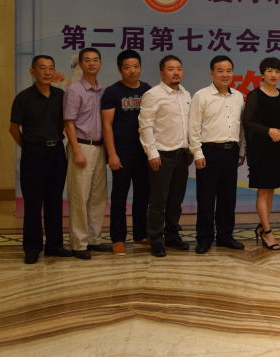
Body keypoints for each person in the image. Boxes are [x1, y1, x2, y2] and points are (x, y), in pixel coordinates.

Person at [9, 55, 72, 264]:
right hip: (33, 155)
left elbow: (65, 123)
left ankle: (55, 245)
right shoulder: (23, 98)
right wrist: (29, 146)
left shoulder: (60, 96)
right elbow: (13, 129)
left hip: (56, 153)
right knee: (33, 204)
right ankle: (32, 248)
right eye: (42, 68)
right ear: (32, 72)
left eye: (51, 68)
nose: (47, 72)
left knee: (55, 201)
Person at [189, 55, 246, 255]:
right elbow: (193, 127)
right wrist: (197, 153)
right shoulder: (201, 96)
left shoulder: (238, 96)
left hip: (231, 152)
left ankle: (225, 236)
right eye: (220, 70)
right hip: (208, 152)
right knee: (206, 198)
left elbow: (241, 127)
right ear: (212, 73)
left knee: (228, 198)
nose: (225, 74)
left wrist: (242, 150)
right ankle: (204, 238)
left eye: (228, 70)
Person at [138, 55, 192, 257]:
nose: (176, 72)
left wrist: (191, 149)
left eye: (179, 68)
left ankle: (172, 235)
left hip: (182, 155)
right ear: (161, 73)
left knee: (176, 201)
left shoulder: (186, 94)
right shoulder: (153, 94)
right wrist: (151, 153)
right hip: (161, 155)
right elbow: (145, 126)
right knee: (158, 202)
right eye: (171, 69)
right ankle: (156, 239)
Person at [100, 49, 152, 255]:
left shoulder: (147, 90)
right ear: (120, 69)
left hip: (143, 151)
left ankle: (140, 234)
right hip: (122, 151)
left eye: (136, 66)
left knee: (143, 195)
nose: (132, 71)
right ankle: (118, 238)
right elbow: (106, 125)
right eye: (127, 67)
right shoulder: (112, 92)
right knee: (120, 197)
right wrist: (112, 154)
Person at [63, 47, 110, 260]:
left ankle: (94, 239)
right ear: (81, 64)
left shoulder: (103, 91)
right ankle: (79, 244)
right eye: (87, 60)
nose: (92, 63)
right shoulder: (74, 90)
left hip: (100, 148)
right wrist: (76, 151)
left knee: (98, 197)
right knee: (79, 197)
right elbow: (69, 123)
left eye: (95, 60)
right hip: (81, 147)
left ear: (100, 64)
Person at [242, 57, 280, 251]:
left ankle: (263, 226)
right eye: (270, 71)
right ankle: (268, 232)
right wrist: (268, 131)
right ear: (262, 74)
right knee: (263, 190)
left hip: (277, 149)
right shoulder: (255, 95)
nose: (273, 75)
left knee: (271, 190)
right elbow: (248, 122)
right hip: (261, 149)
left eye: (277, 72)